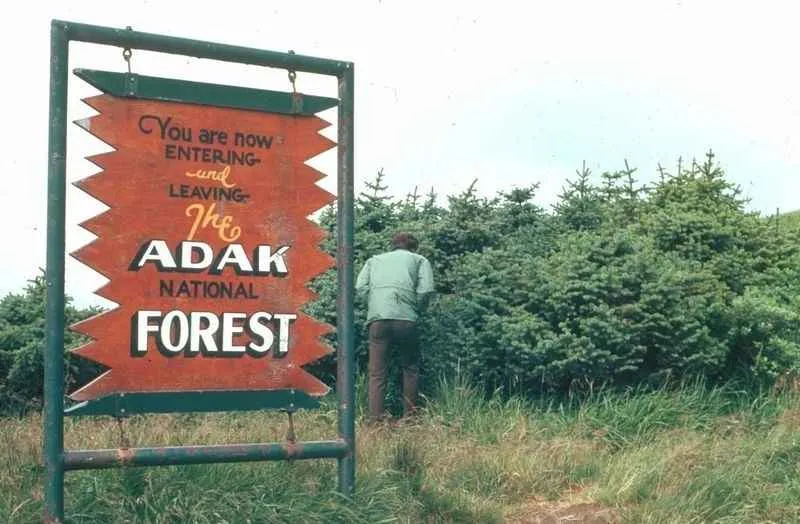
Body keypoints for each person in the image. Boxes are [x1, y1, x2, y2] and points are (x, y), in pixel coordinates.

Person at [356, 232, 435, 422]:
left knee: (377, 372)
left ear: (393, 245)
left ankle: (375, 420)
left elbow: (360, 287)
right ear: (413, 247)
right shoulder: (420, 260)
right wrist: (415, 308)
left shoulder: (374, 260)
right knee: (410, 368)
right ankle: (409, 419)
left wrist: (376, 304)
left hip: (377, 320)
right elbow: (425, 291)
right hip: (407, 320)